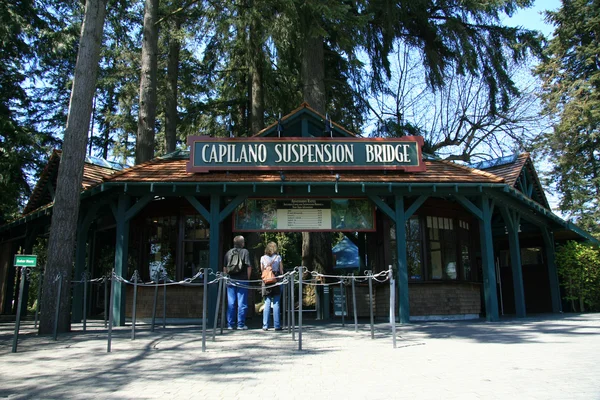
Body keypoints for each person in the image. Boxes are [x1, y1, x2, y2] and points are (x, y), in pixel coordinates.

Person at [224, 235, 252, 330]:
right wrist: (247, 279)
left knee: (231, 302)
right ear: (242, 243)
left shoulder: (228, 253)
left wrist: (226, 277)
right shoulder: (245, 252)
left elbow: (225, 268)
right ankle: (240, 324)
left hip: (231, 280)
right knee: (242, 303)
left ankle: (230, 324)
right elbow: (248, 266)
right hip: (242, 279)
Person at [260, 241, 283, 331]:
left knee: (267, 302)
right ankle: (277, 325)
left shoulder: (263, 258)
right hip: (276, 279)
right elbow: (281, 270)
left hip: (266, 281)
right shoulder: (278, 257)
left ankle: (265, 325)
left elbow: (262, 270)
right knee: (276, 302)